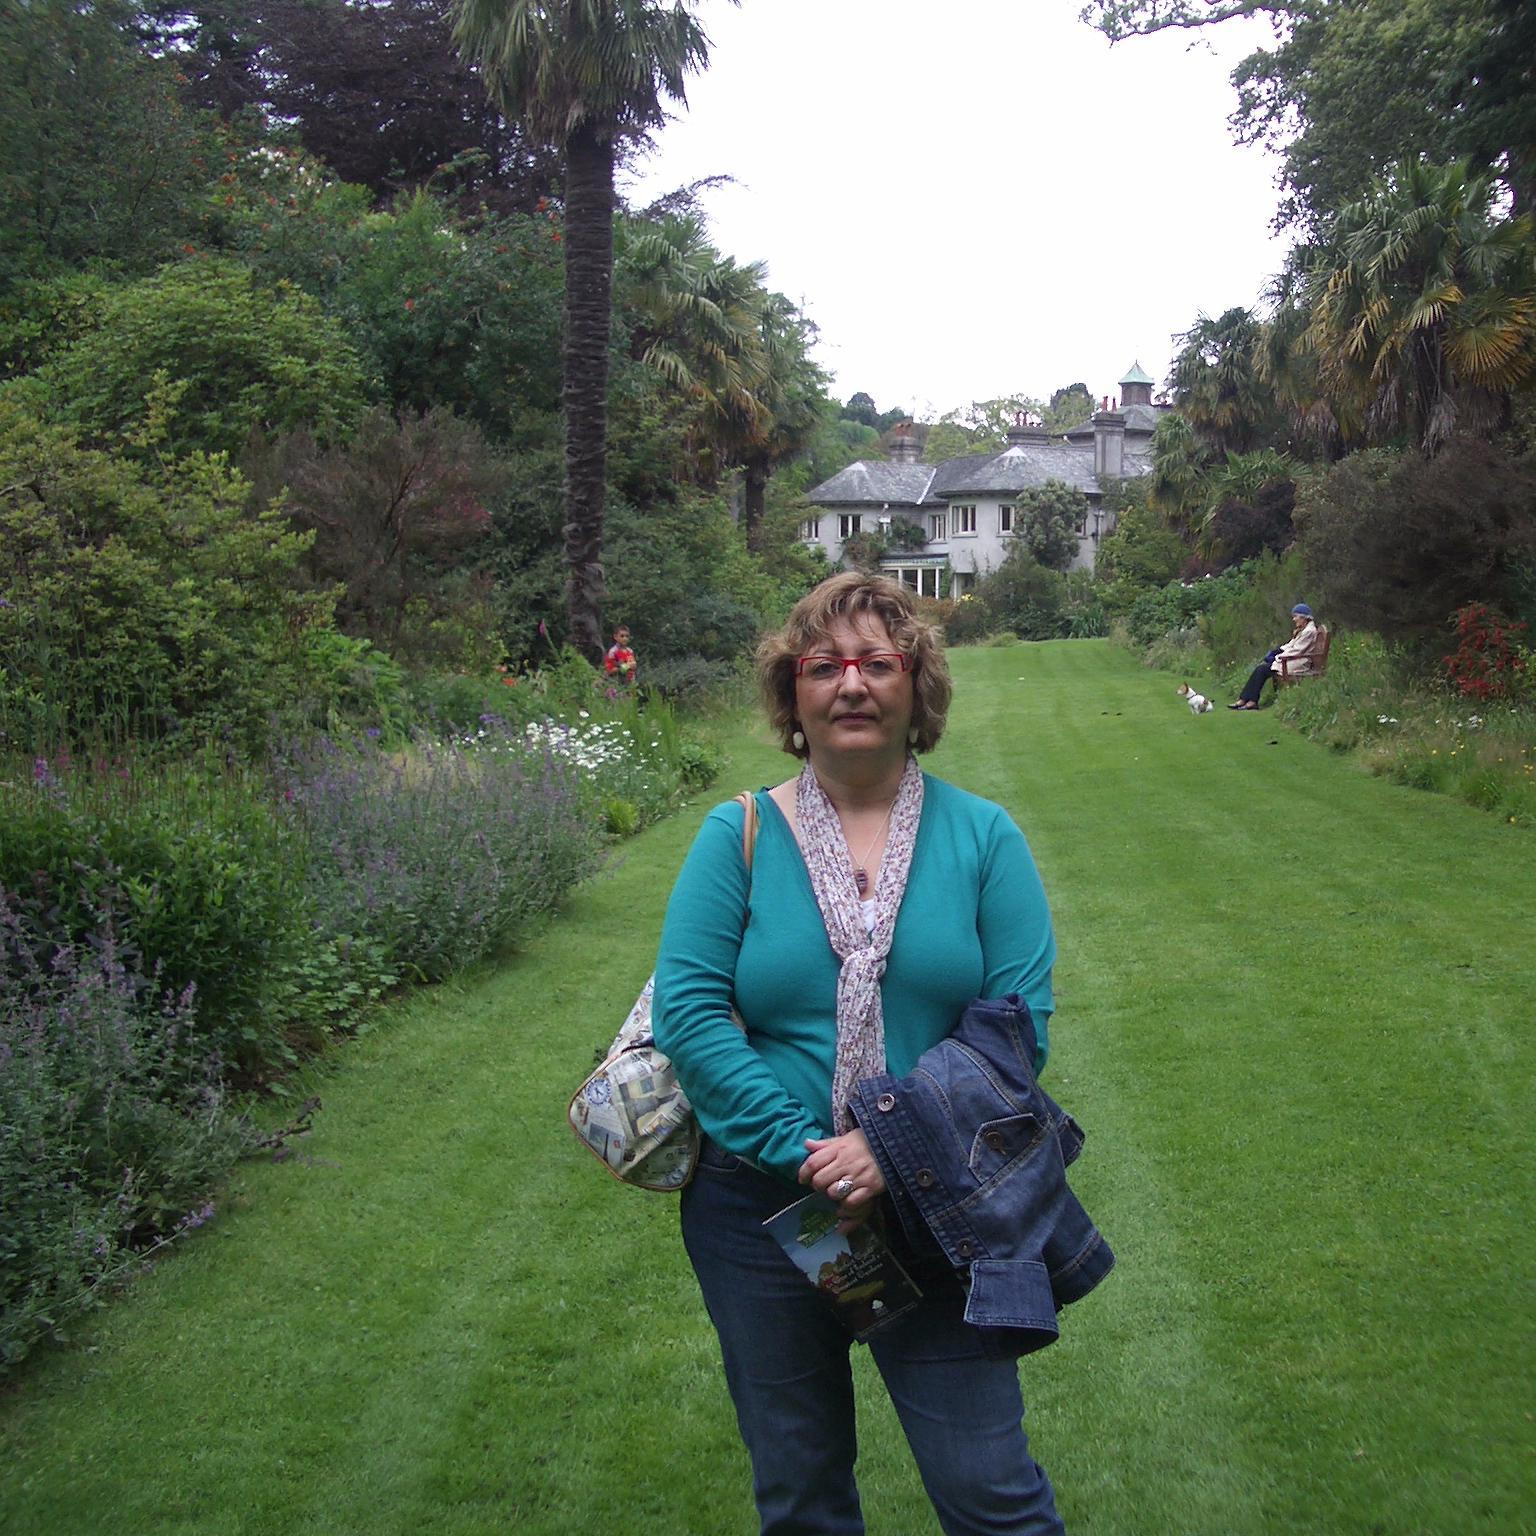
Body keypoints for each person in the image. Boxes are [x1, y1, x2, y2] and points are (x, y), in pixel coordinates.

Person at [653, 572, 1070, 1535]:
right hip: (770, 1213)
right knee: (802, 1494)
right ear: (793, 694)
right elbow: (691, 1012)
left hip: (940, 1209)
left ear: (914, 688)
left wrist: (893, 1148)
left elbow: (1017, 1028)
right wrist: (809, 1153)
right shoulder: (740, 834)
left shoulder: (983, 838)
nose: (851, 684)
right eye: (824, 666)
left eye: (878, 664)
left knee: (988, 1490)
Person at [1228, 603, 1323, 709]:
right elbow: (1291, 645)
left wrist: (1277, 657)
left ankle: (1249, 701)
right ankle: (1246, 700)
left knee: (1262, 669)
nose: (1294, 619)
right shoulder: (1304, 630)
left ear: (1304, 617)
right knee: (1261, 669)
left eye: (1296, 616)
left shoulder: (1309, 631)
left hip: (1298, 663)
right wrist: (1278, 650)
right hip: (1292, 660)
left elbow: (1298, 650)